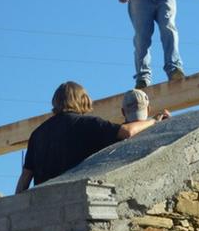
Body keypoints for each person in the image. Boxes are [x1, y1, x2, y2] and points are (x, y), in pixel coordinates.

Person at [15, 81, 162, 193]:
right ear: (83, 100)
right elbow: (127, 132)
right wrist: (154, 121)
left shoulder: (37, 134)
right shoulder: (88, 124)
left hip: (43, 206)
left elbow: (25, 178)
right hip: (76, 200)